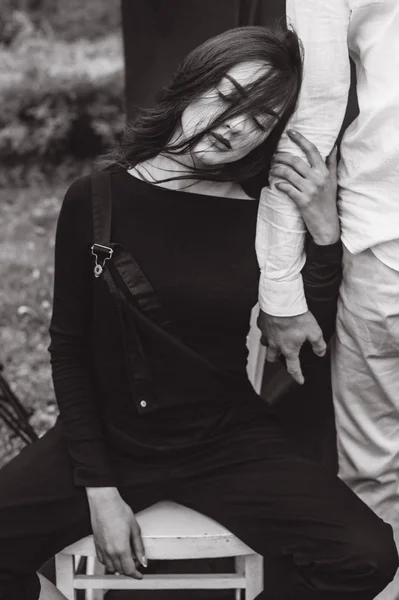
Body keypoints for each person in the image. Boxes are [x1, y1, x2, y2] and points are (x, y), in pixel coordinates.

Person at [0, 25, 397, 600]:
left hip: (223, 439)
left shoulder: (261, 215)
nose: (236, 125)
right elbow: (68, 347)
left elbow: (305, 333)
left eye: (260, 121)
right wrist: (100, 489)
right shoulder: (96, 198)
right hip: (109, 437)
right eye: (229, 96)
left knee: (366, 554)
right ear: (193, 83)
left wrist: (324, 233)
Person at [256, 2, 399, 598]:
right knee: (372, 474)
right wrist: (283, 288)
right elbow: (307, 116)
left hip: (379, 241)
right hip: (383, 244)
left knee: (373, 472)